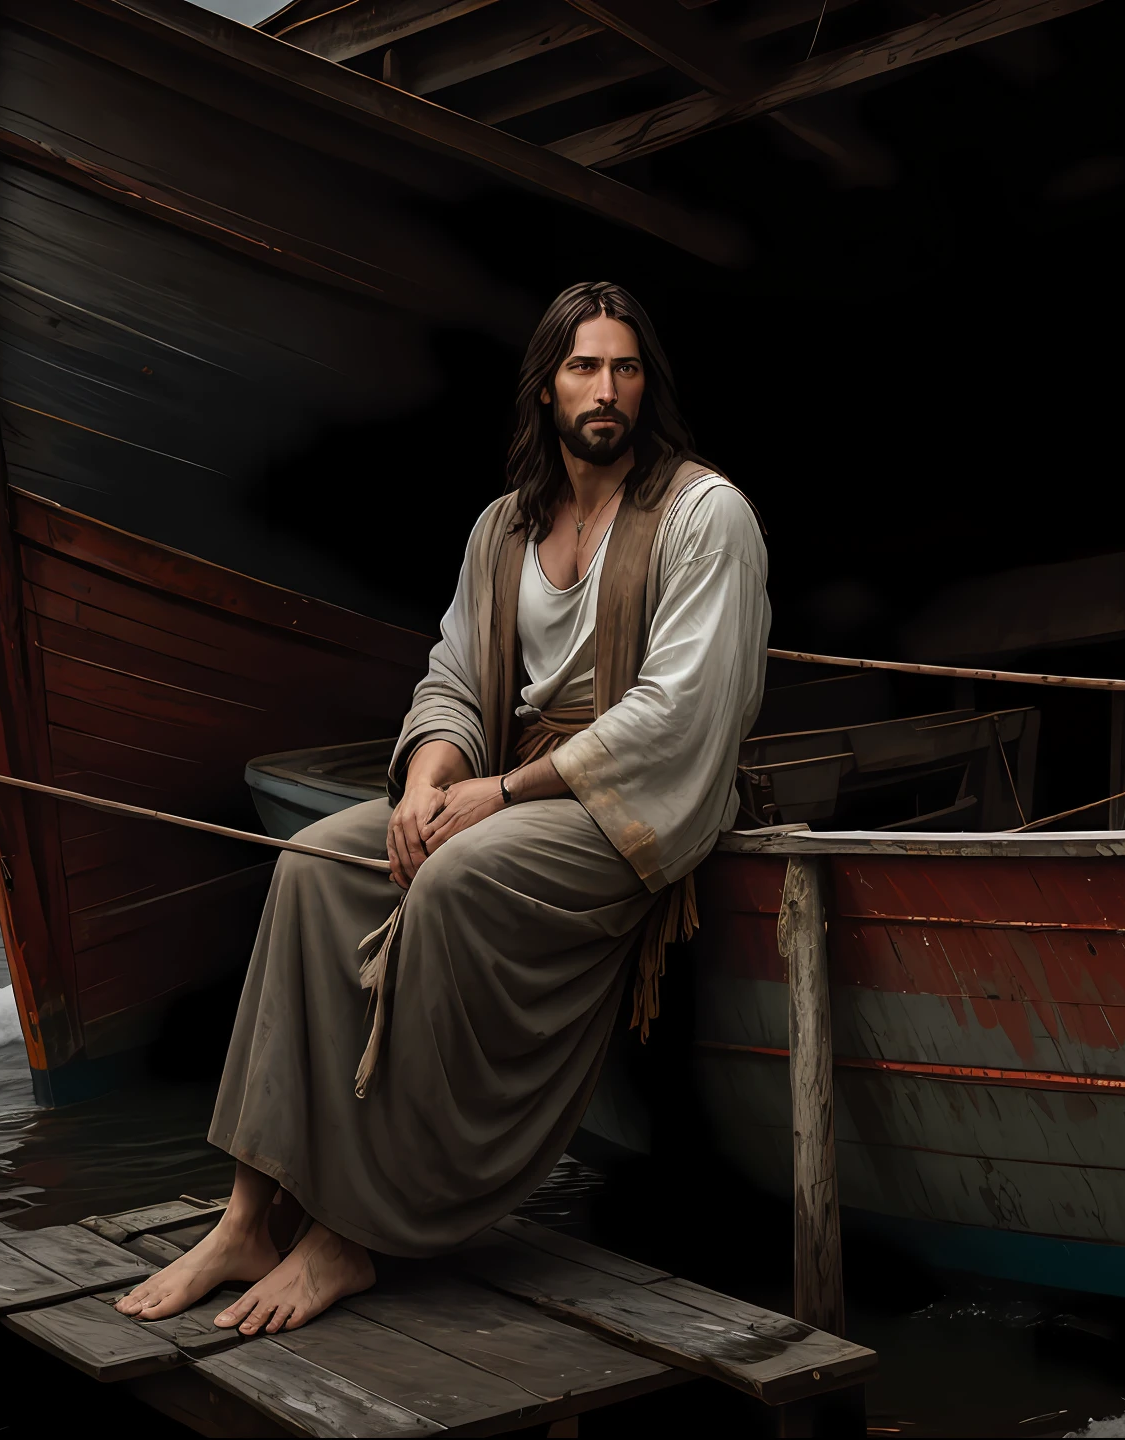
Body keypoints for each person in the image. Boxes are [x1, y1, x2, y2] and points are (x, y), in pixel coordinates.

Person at [114, 280, 770, 1334]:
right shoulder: (500, 530)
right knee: (314, 866)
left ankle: (351, 1234)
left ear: (648, 386)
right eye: (582, 367)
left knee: (453, 881)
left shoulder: (705, 515)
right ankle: (248, 1214)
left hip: (626, 806)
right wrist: (427, 784)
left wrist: (494, 797)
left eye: (626, 367)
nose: (606, 389)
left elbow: (674, 715)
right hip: (494, 783)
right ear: (545, 389)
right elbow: (454, 682)